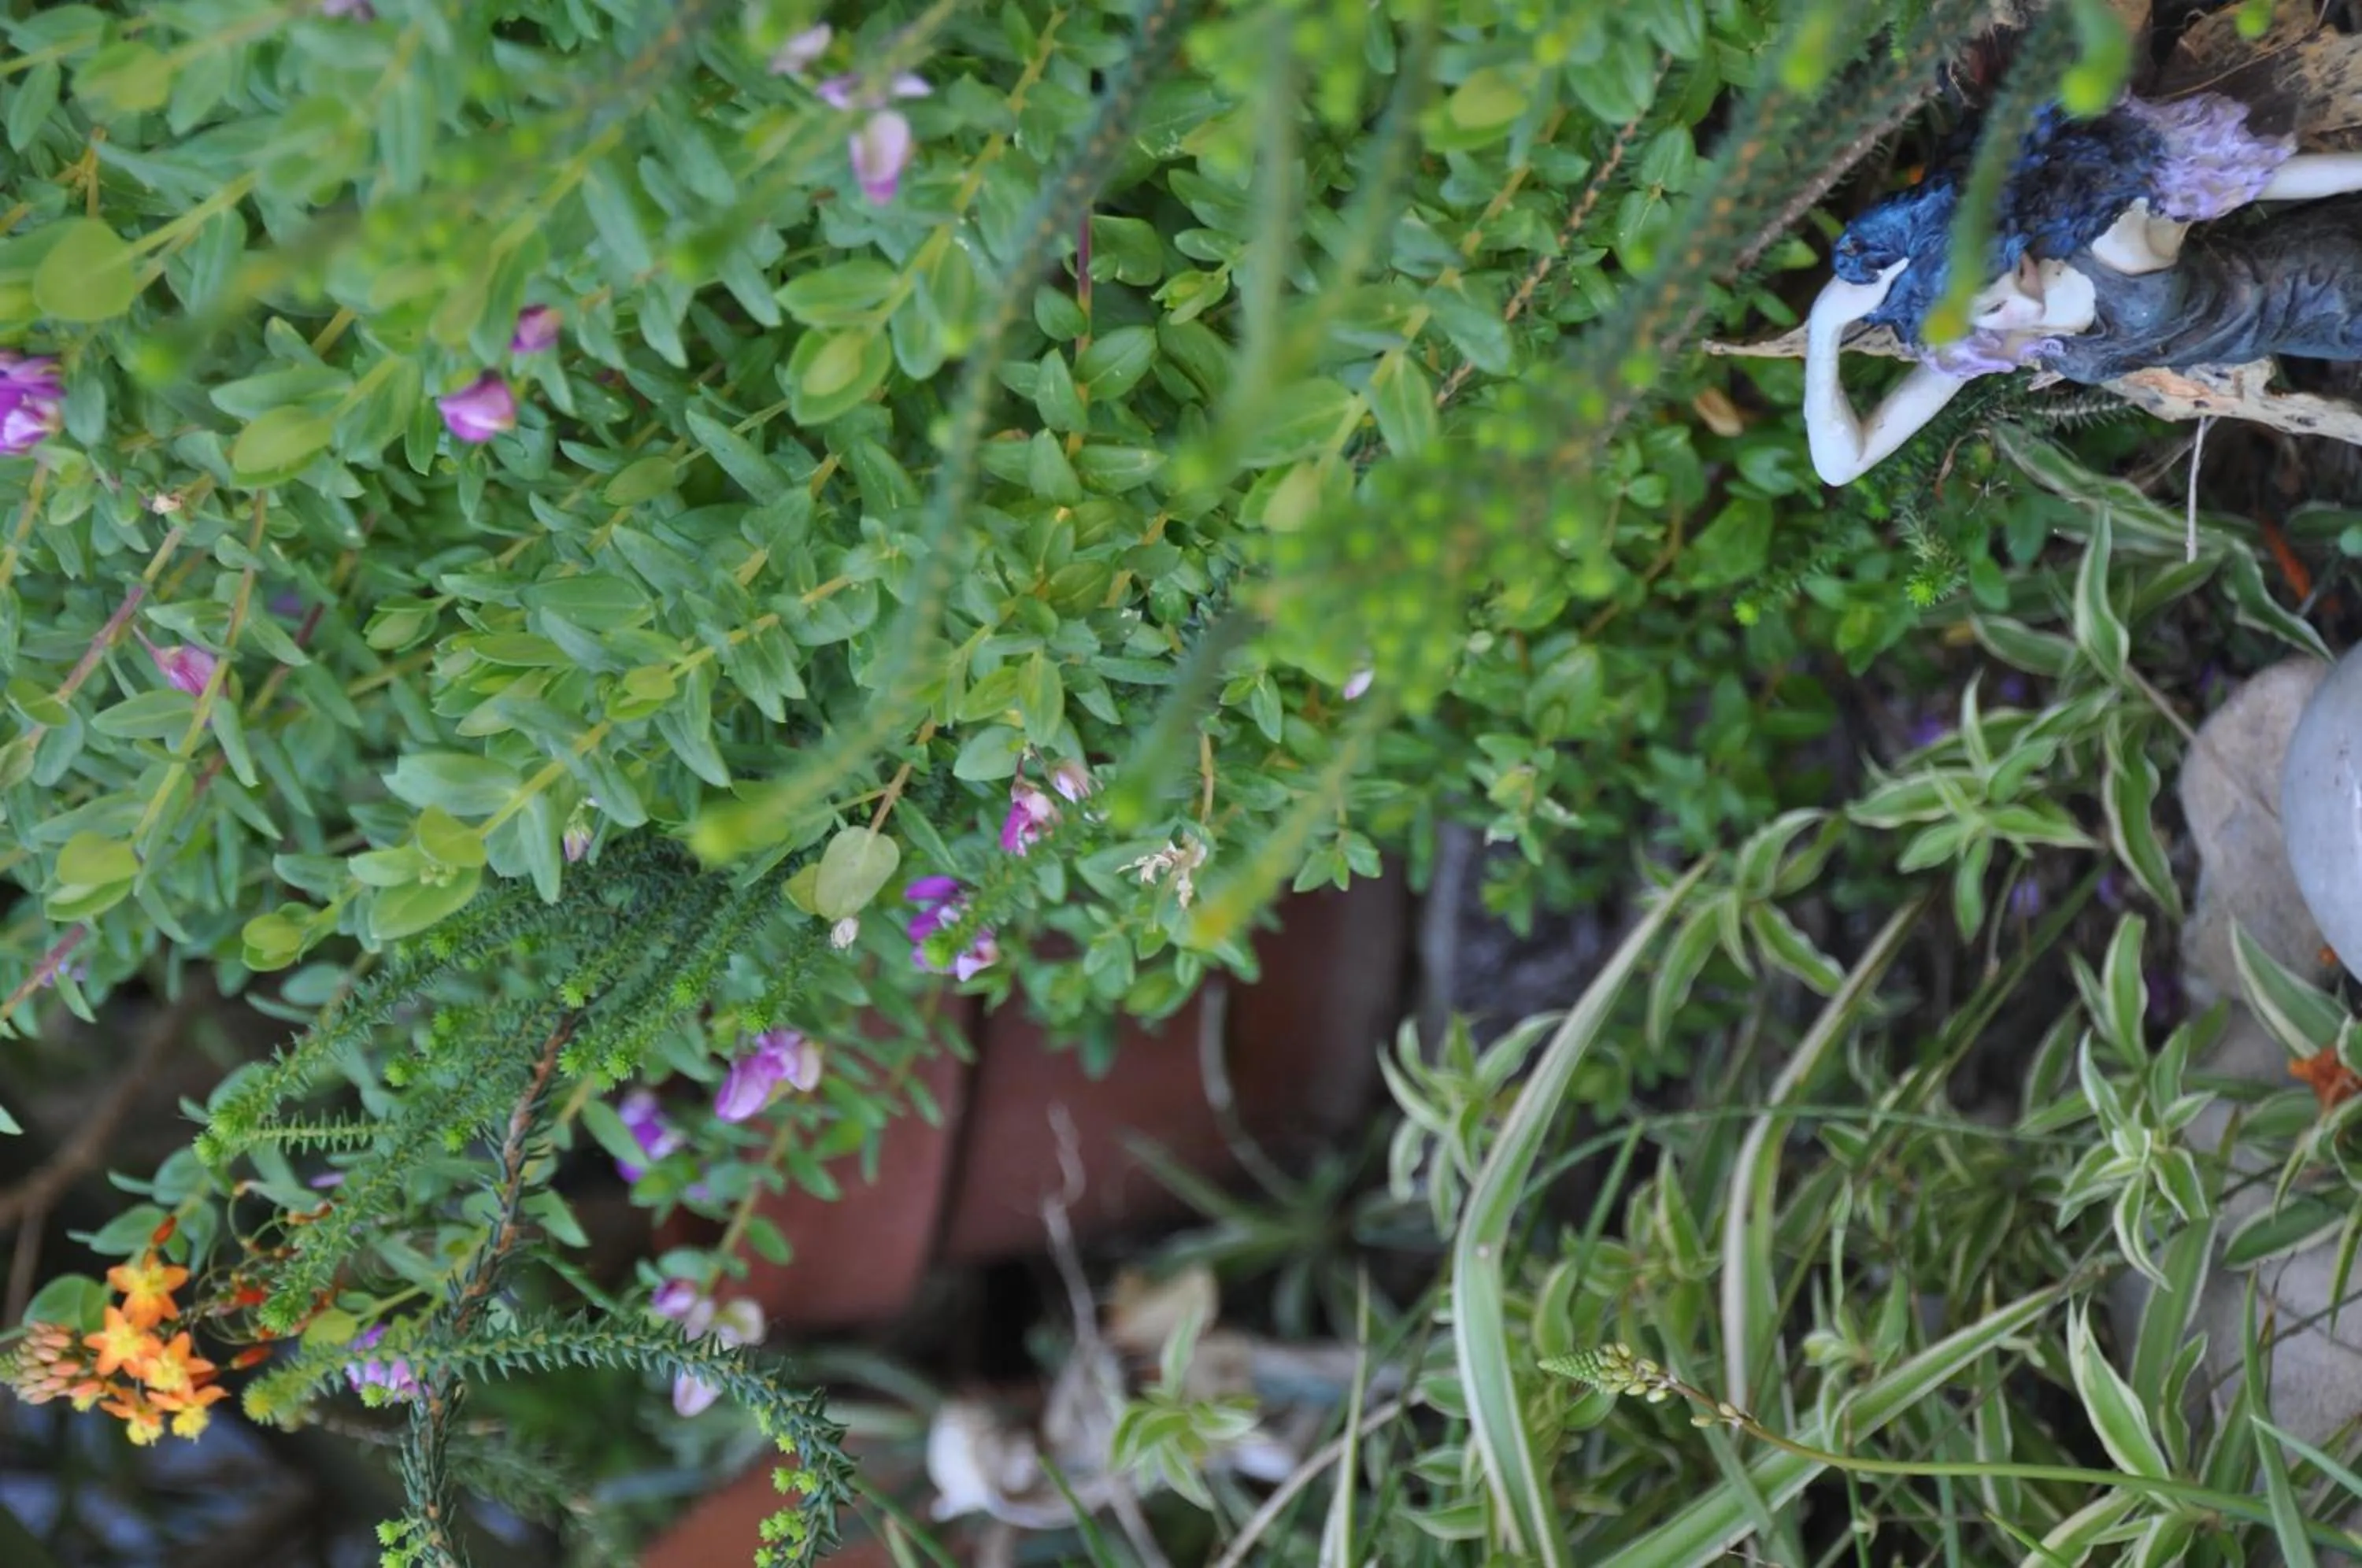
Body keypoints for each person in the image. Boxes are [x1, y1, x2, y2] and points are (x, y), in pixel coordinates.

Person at [1805, 91, 2362, 485]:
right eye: (1994, 306)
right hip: (2311, 332)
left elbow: (2254, 183)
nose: (2026, 304)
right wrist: (1826, 331)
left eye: (2017, 271)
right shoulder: (1996, 341)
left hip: (2331, 280)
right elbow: (1842, 466)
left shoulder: (2113, 237)